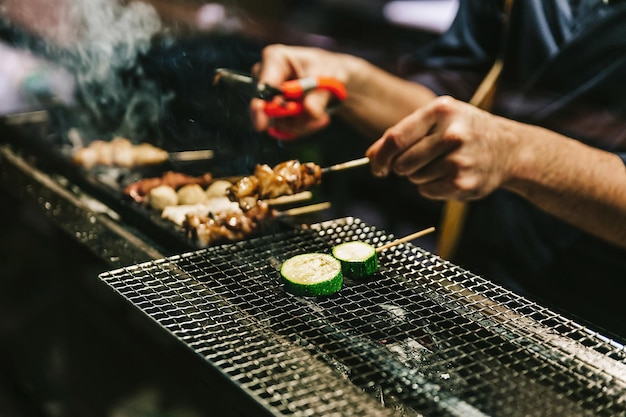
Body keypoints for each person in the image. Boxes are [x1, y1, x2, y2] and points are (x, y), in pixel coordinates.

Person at [248, 1, 626, 338]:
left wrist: (519, 154)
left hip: (601, 318)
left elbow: (498, 139)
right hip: (476, 282)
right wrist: (350, 79)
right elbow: (450, 99)